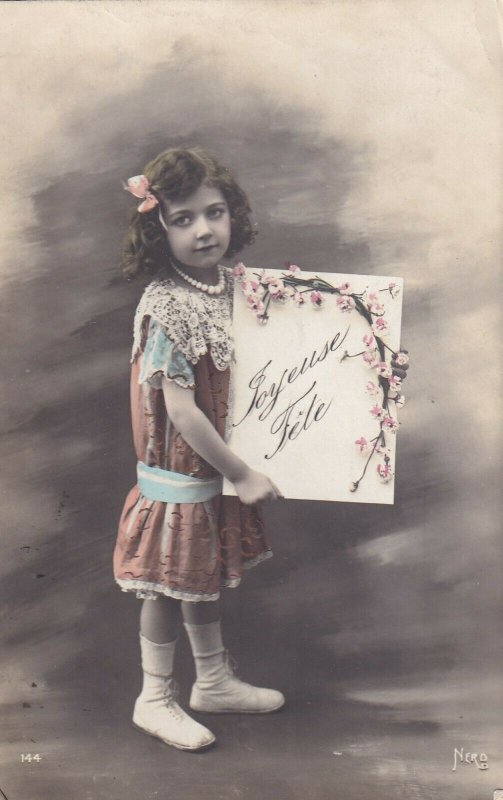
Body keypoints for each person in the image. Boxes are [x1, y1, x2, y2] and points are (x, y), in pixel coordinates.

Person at [113, 147, 285, 753]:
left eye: (214, 212)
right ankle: (153, 698)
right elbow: (183, 413)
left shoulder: (232, 288)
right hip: (182, 476)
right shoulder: (167, 307)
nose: (204, 230)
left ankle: (211, 680)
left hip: (214, 477)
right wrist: (241, 473)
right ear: (157, 228)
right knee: (165, 587)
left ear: (233, 213)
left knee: (200, 581)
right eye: (183, 218)